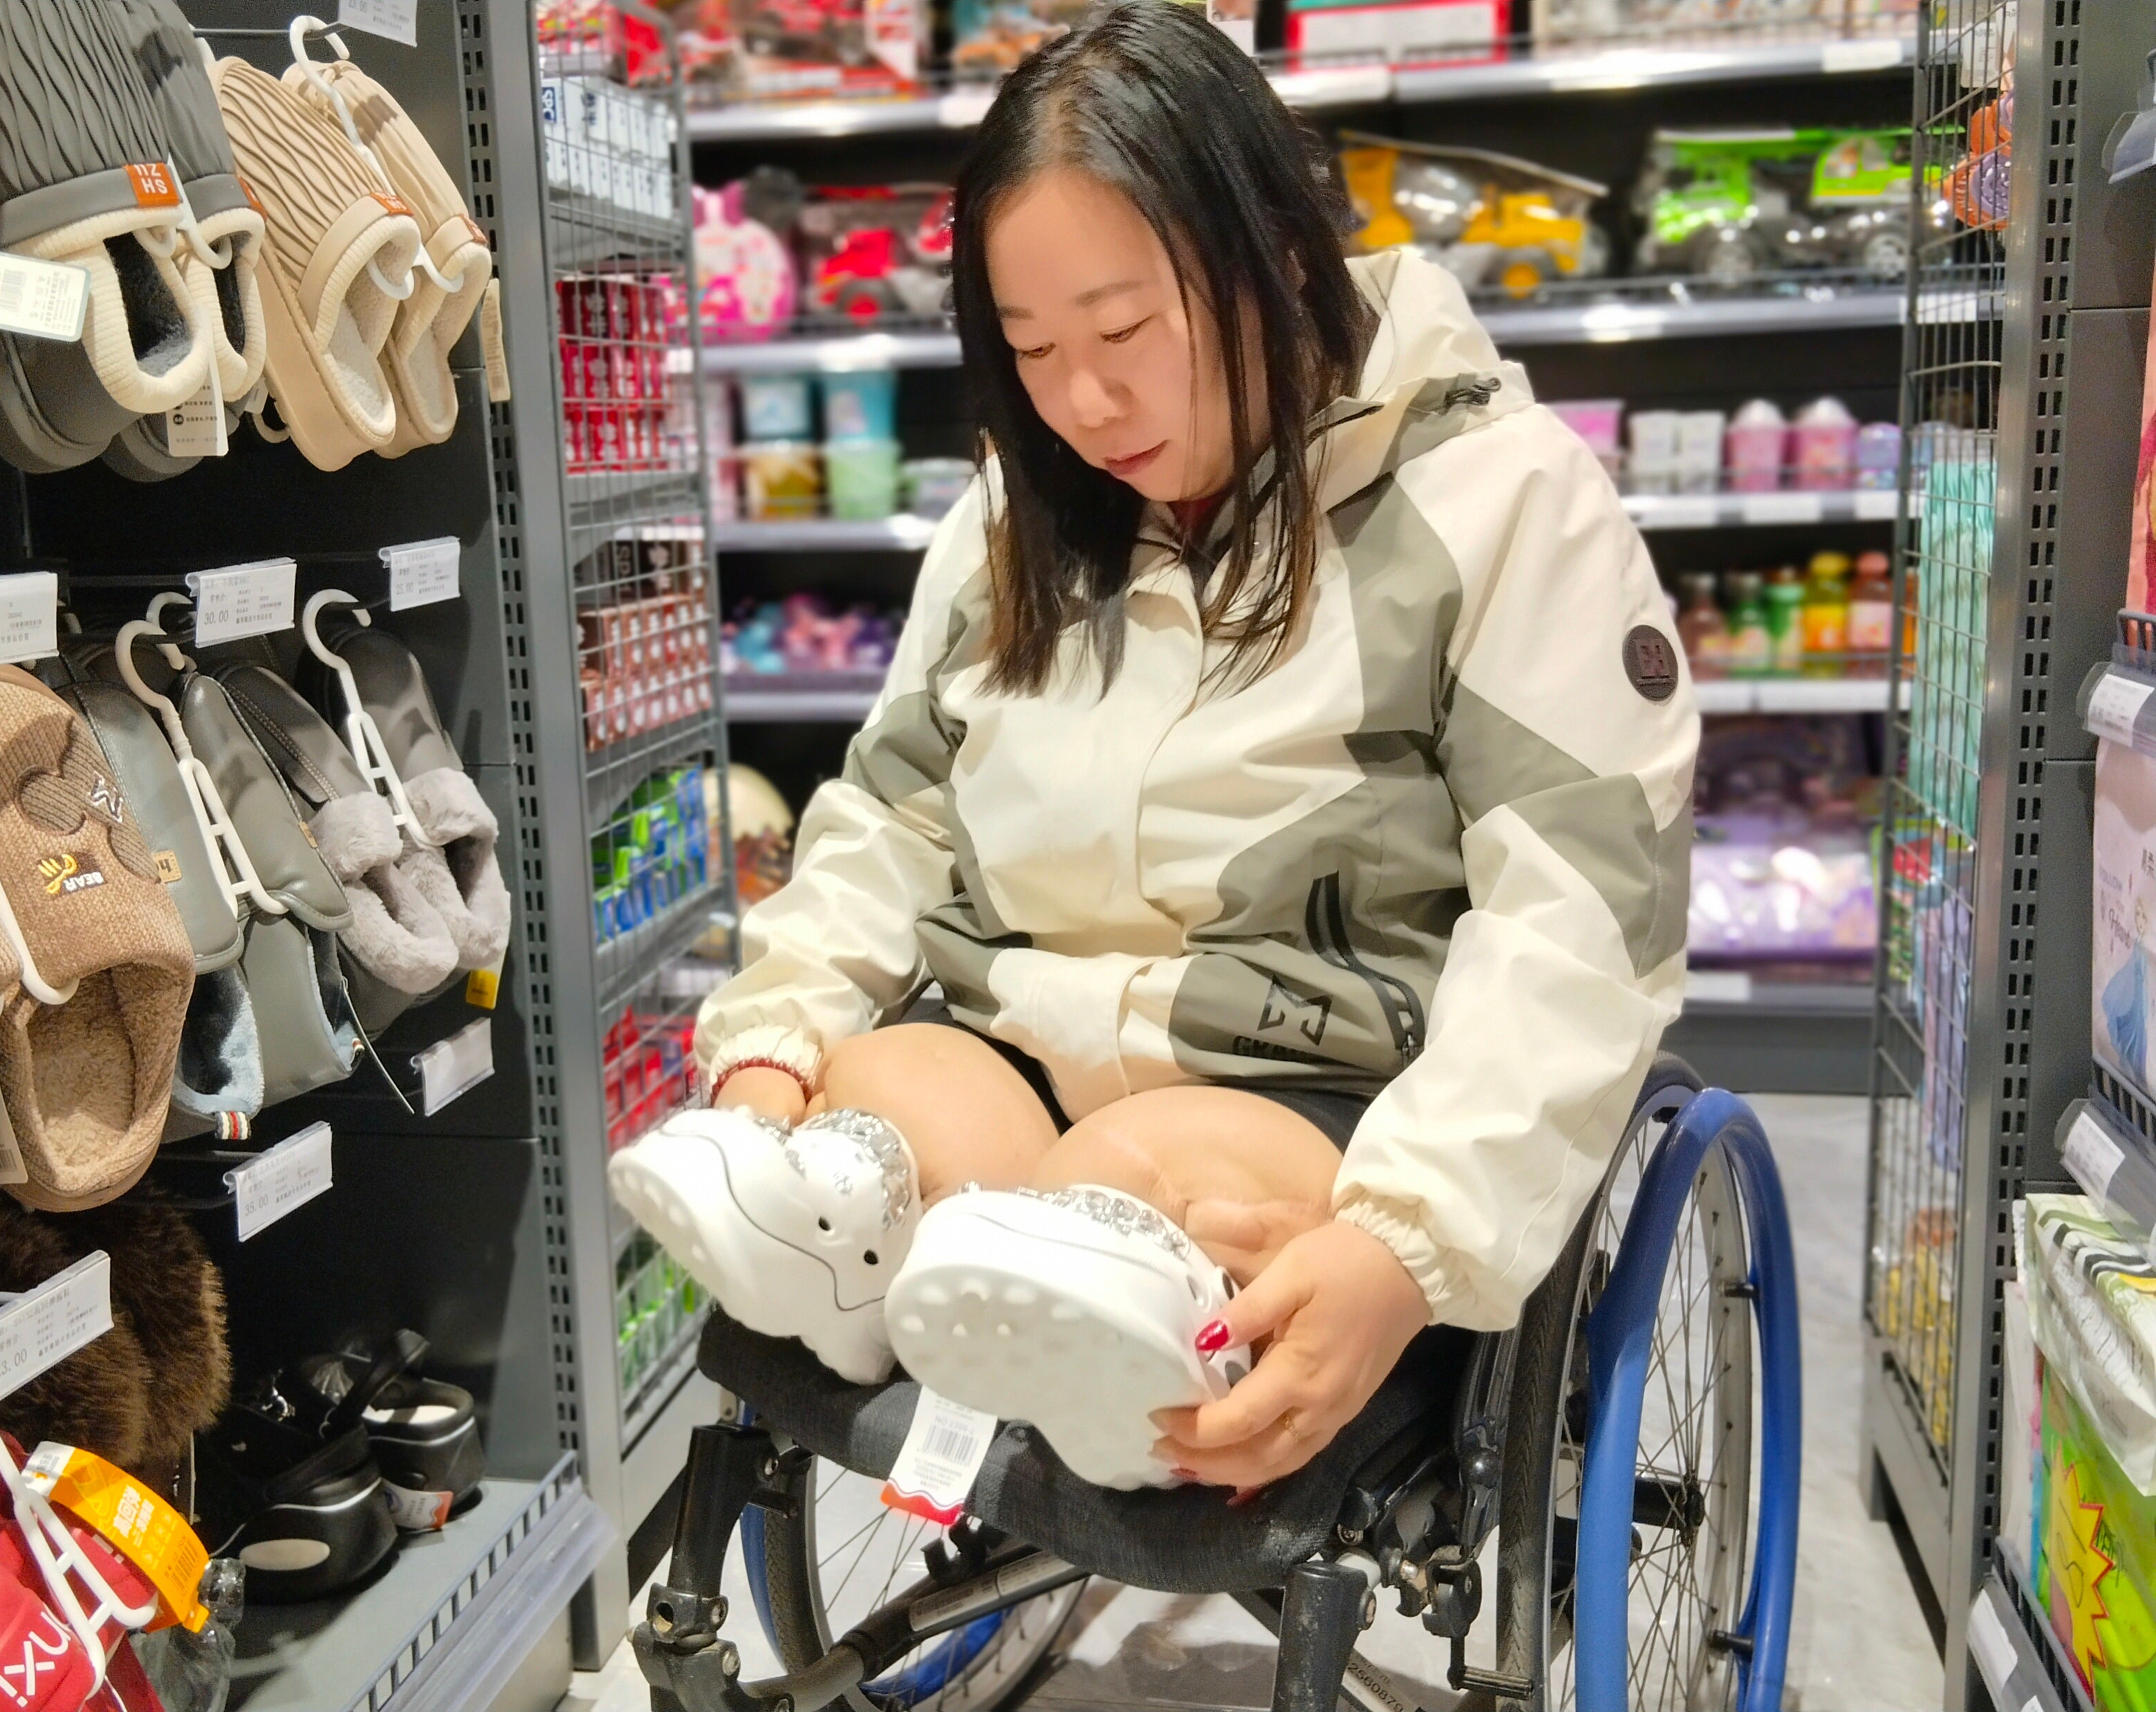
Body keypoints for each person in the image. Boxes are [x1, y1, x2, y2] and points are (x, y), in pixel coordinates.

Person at [613, 0, 1697, 1494]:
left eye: (1125, 332)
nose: (1083, 401)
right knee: (871, 1117)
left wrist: (1410, 1242)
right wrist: (771, 1052)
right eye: (1031, 348)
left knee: (1126, 1189)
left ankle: (1059, 1307)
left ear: (1270, 252)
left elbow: (1580, 911)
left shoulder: (1500, 504)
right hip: (1019, 1040)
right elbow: (892, 813)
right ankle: (866, 1244)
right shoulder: (1012, 524)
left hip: (1315, 1086)